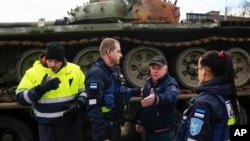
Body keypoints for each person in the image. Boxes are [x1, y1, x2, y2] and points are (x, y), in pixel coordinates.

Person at [15, 42, 87, 141]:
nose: (52, 65)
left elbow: (85, 91)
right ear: (45, 58)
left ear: (63, 61)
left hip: (72, 125)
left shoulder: (75, 70)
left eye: (57, 61)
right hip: (47, 127)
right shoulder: (32, 72)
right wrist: (40, 89)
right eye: (50, 60)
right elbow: (21, 98)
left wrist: (79, 103)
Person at [176, 50, 240, 141]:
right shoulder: (229, 96)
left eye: (198, 69)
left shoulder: (204, 103)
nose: (198, 72)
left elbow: (195, 138)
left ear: (204, 71)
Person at [85, 37, 140, 141]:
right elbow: (93, 106)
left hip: (115, 127)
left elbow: (119, 92)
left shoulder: (113, 71)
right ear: (109, 52)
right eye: (118, 51)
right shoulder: (96, 73)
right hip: (105, 130)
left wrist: (137, 91)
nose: (121, 55)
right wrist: (102, 136)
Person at [135, 55, 180, 141]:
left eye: (159, 68)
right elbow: (145, 105)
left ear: (165, 69)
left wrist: (156, 99)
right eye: (153, 68)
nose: (155, 71)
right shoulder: (148, 82)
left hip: (163, 132)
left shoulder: (170, 82)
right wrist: (140, 121)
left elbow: (170, 96)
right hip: (148, 130)